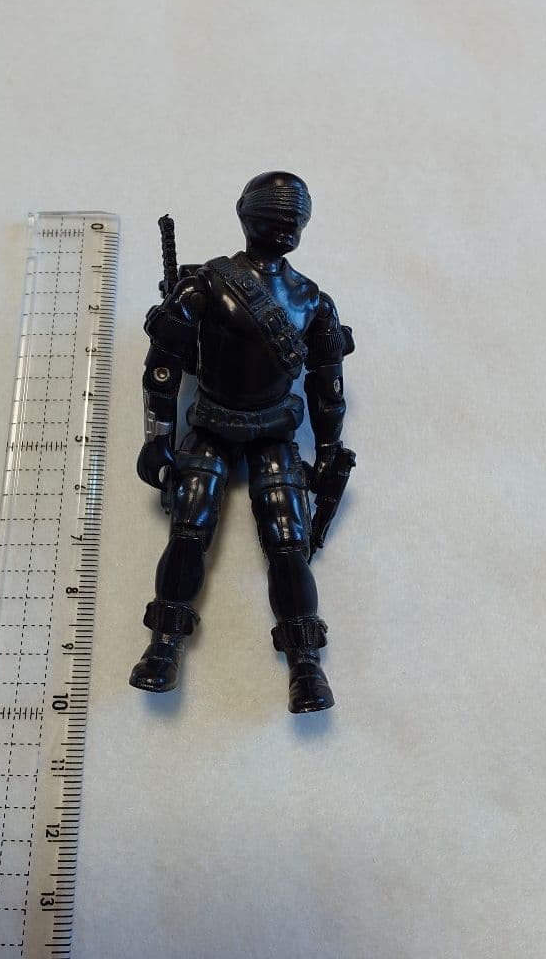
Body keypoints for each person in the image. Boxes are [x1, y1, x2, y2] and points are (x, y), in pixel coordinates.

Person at [130, 171, 354, 713]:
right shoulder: (206, 285)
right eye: (276, 216)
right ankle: (163, 646)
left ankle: (306, 664)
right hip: (210, 423)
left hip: (274, 429)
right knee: (189, 530)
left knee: (288, 540)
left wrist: (328, 452)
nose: (285, 227)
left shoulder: (312, 301)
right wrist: (158, 438)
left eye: (294, 219)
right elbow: (163, 368)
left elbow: (327, 389)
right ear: (247, 216)